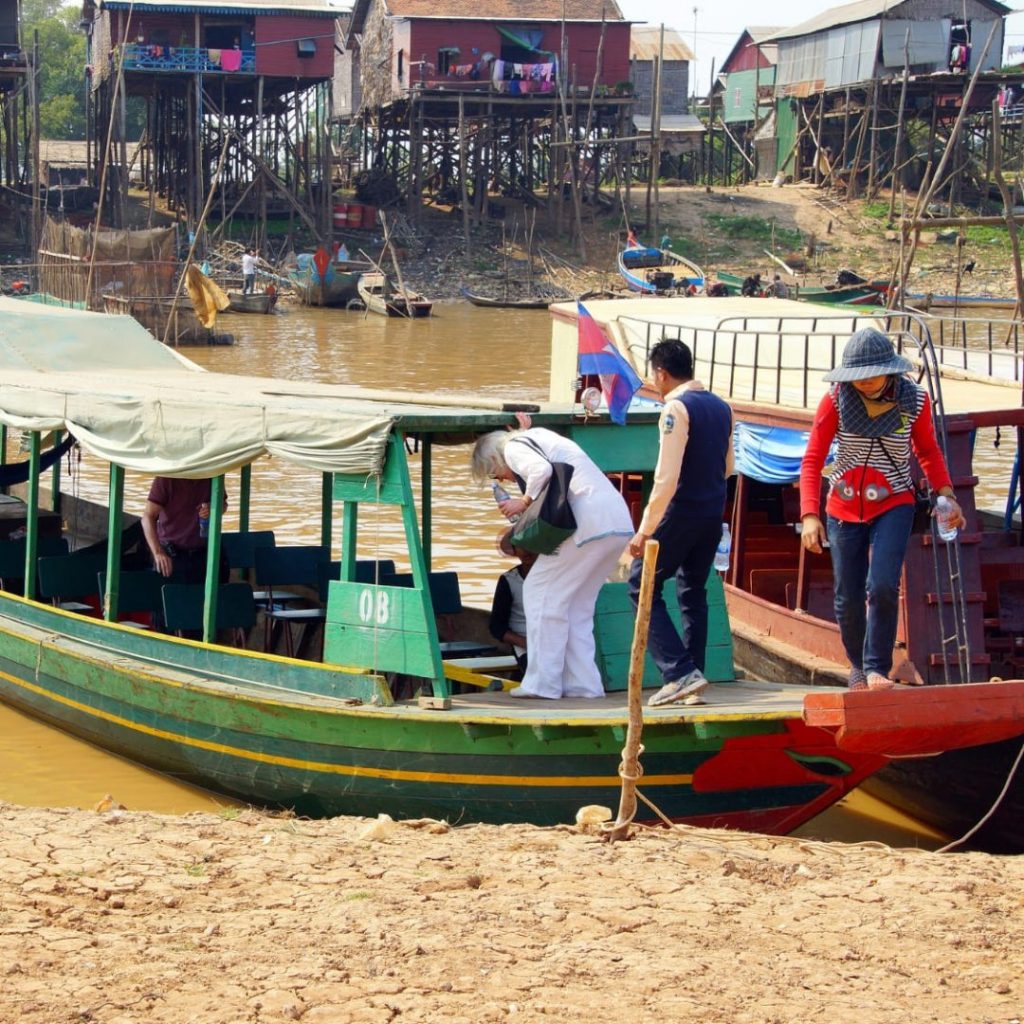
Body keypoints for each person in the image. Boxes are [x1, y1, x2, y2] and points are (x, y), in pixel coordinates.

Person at [799, 328, 965, 691]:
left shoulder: (915, 400)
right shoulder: (836, 399)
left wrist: (947, 494)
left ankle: (877, 666)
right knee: (848, 595)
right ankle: (856, 665)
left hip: (895, 502)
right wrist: (810, 515)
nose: (866, 383)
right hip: (842, 505)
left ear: (890, 369)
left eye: (873, 374)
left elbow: (928, 452)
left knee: (884, 584)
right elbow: (812, 459)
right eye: (858, 376)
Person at [471, 424, 633, 699]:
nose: (503, 479)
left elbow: (541, 470)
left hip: (587, 525)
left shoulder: (512, 448)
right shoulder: (536, 436)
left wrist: (523, 501)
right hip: (616, 523)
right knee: (576, 609)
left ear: (494, 459)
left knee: (538, 591)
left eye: (494, 472)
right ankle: (584, 687)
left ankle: (541, 684)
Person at [628, 339, 735, 707]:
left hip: (683, 508)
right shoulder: (722, 407)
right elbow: (729, 467)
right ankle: (695, 677)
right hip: (713, 510)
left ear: (662, 372)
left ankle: (677, 671)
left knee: (640, 584)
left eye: (654, 376)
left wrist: (644, 530)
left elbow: (666, 478)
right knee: (692, 591)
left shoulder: (676, 407)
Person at [141, 476, 228, 584]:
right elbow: (148, 517)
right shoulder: (166, 479)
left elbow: (223, 504)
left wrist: (214, 507)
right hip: (172, 552)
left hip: (205, 550)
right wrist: (158, 552)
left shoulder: (213, 474)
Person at [489, 530, 537, 678]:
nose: (527, 550)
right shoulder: (509, 580)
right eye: (520, 546)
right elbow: (497, 627)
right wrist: (526, 643)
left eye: (532, 545)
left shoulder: (556, 577)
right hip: (525, 645)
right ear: (515, 550)